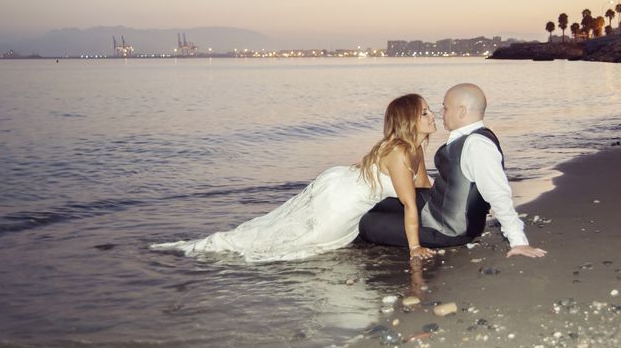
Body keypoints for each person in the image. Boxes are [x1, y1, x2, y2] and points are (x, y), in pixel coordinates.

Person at [151, 94, 438, 262]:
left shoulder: (415, 150)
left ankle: (214, 246)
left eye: (430, 110)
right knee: (297, 241)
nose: (433, 115)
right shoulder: (400, 151)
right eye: (425, 112)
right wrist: (415, 248)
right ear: (408, 121)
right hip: (341, 197)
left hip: (349, 190)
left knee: (293, 233)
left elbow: (424, 186)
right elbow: (409, 203)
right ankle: (214, 247)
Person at [358, 83, 547, 259]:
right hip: (437, 207)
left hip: (448, 229)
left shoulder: (477, 146)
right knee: (380, 204)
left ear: (462, 111)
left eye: (445, 108)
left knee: (367, 224)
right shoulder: (467, 139)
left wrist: (518, 241)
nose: (440, 113)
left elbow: (498, 194)